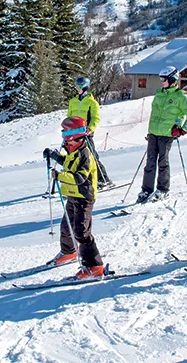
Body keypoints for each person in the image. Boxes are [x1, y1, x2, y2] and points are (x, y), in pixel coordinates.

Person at [44, 117, 106, 279]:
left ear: (72, 134)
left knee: (81, 232)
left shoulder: (85, 154)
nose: (63, 134)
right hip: (73, 195)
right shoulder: (74, 149)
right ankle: (69, 252)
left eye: (65, 131)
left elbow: (79, 177)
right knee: (66, 228)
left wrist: (59, 176)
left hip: (84, 197)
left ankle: (94, 265)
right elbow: (68, 163)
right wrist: (54, 155)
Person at [136, 66, 187, 204]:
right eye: (161, 79)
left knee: (163, 162)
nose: (161, 81)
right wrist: (150, 132)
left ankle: (163, 189)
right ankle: (146, 190)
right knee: (149, 163)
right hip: (153, 134)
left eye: (164, 79)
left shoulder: (180, 96)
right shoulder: (159, 94)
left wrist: (182, 129)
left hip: (167, 134)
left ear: (172, 79)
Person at [68, 76, 113, 189]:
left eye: (79, 86)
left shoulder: (92, 102)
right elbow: (69, 117)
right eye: (76, 86)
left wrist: (90, 129)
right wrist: (68, 128)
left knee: (92, 156)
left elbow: (95, 118)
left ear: (85, 87)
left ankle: (104, 179)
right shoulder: (73, 101)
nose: (76, 88)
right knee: (75, 157)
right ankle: (78, 179)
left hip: (85, 133)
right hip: (74, 134)